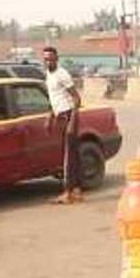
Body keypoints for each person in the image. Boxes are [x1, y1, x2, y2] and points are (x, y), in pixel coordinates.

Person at [43, 46, 83, 205]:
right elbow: (55, 99)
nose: (48, 61)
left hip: (69, 117)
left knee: (68, 158)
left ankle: (67, 192)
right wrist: (50, 117)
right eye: (45, 59)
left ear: (56, 59)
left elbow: (77, 98)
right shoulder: (48, 75)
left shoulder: (62, 74)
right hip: (60, 116)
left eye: (51, 59)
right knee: (73, 156)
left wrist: (73, 121)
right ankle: (77, 191)